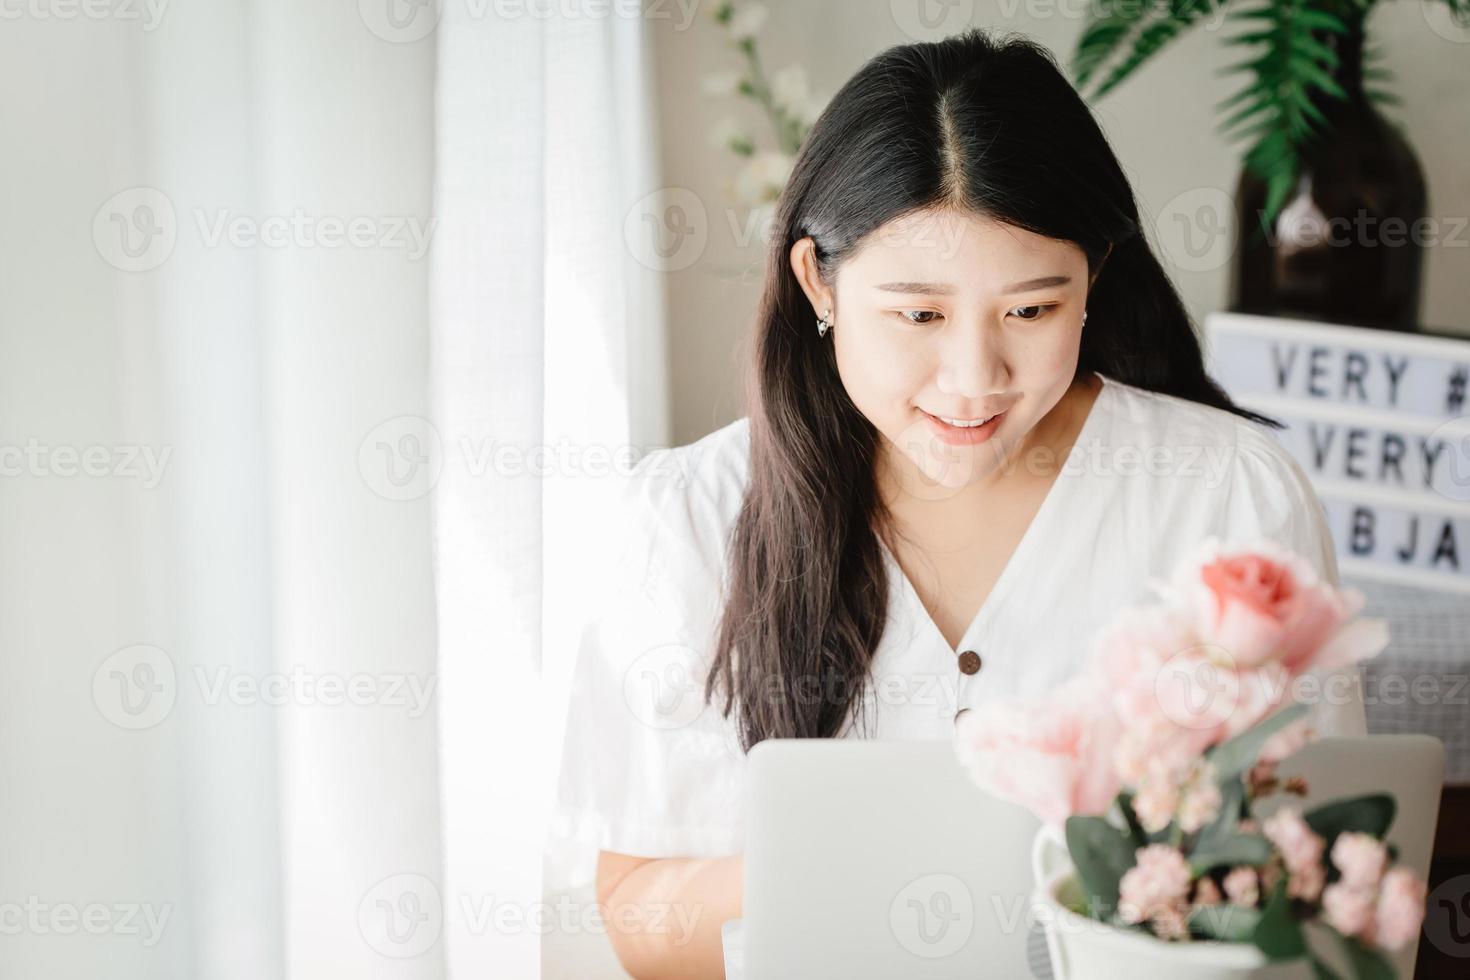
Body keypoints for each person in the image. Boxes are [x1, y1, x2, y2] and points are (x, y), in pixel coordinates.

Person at [550, 27, 1367, 980]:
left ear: (1093, 274)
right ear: (820, 281)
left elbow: (1324, 879)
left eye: (1031, 310)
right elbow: (643, 919)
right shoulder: (688, 519)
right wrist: (857, 852)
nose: (975, 380)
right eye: (919, 315)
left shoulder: (1227, 494)